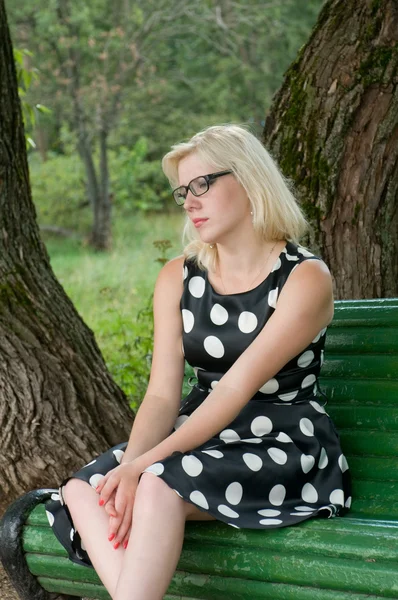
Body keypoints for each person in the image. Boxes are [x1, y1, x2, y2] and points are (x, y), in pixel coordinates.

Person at [45, 123, 352, 600]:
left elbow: (234, 388)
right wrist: (129, 467)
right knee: (87, 490)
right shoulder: (177, 277)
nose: (189, 201)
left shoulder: (304, 277)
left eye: (203, 184)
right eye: (183, 190)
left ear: (250, 181)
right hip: (197, 438)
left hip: (281, 441)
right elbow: (164, 395)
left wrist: (143, 467)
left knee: (155, 485)